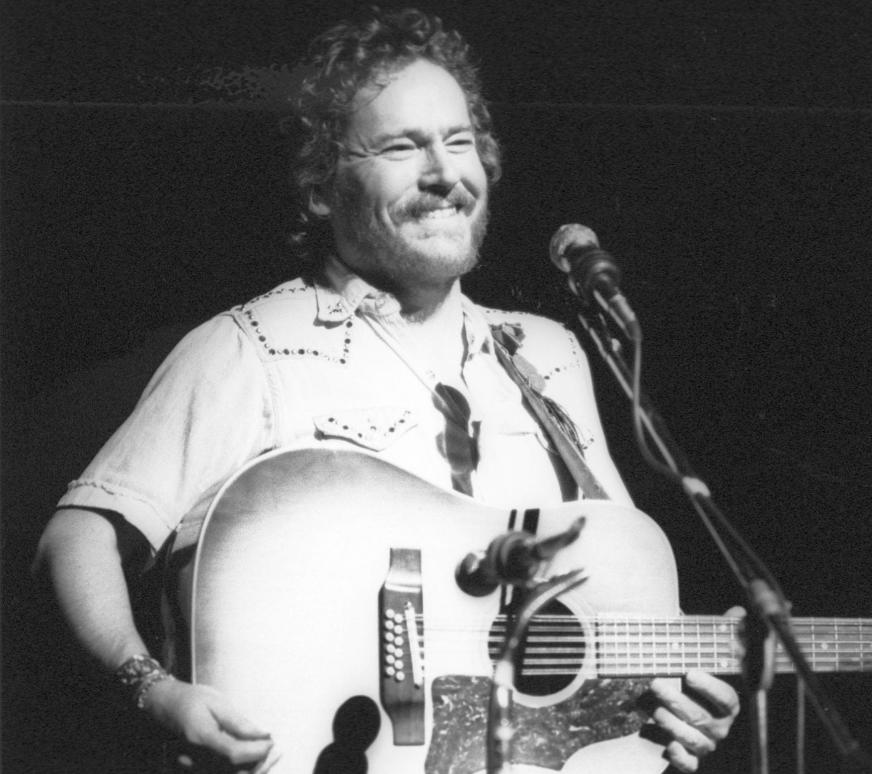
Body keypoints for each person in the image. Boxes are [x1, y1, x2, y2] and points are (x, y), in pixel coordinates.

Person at [33, 6, 739, 773]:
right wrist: (154, 689)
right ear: (321, 188)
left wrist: (677, 703)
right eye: (403, 147)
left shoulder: (548, 354)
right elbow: (78, 538)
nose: (445, 174)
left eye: (460, 141)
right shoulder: (252, 347)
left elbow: (611, 601)